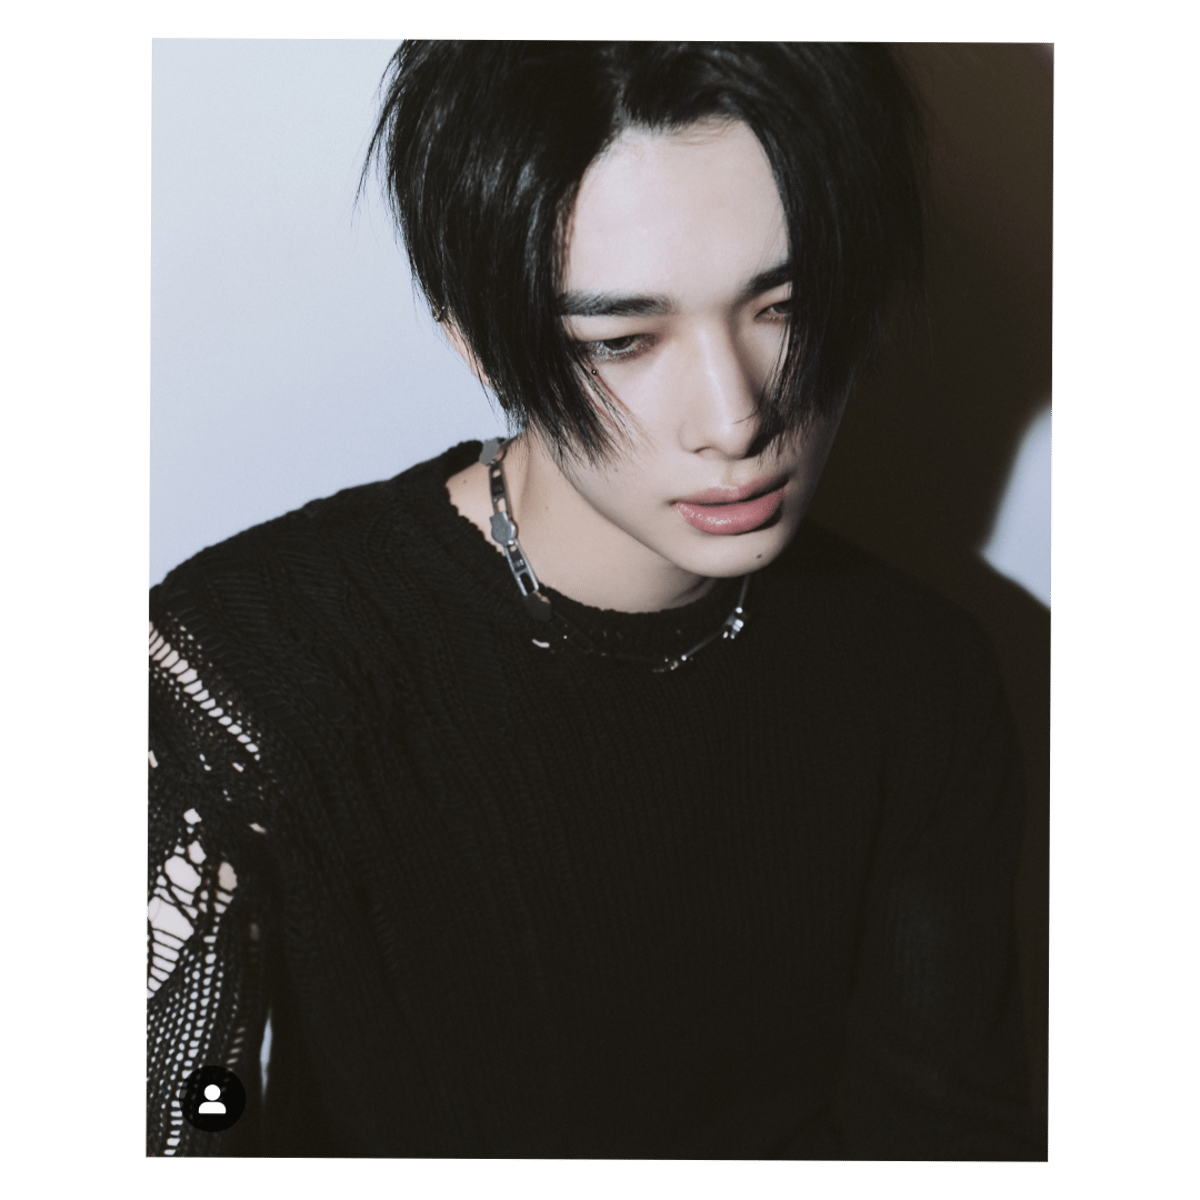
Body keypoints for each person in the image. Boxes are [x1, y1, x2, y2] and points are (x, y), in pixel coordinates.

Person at [146, 40, 1045, 1160]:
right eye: (623, 340)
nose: (735, 418)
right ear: (481, 346)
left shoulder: (921, 676)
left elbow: (948, 1134)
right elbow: (186, 1115)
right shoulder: (256, 662)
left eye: (787, 305)